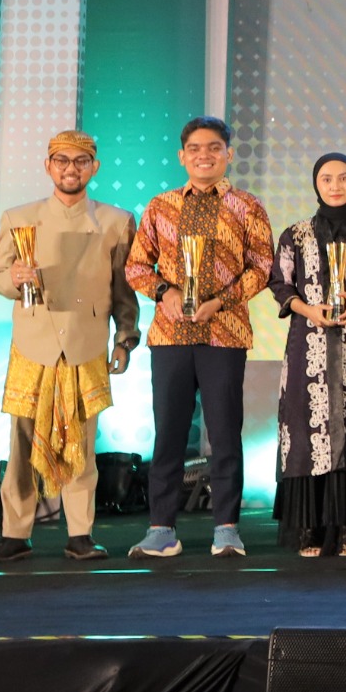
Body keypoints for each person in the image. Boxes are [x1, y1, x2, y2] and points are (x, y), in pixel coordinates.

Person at [0, 130, 139, 563]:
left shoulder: (116, 221)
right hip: (34, 343)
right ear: (48, 166)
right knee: (21, 443)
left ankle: (80, 534)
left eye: (81, 161)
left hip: (86, 342)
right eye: (62, 160)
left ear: (94, 167)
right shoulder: (19, 218)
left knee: (82, 444)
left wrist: (125, 338)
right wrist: (14, 279)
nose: (72, 169)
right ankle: (15, 534)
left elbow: (124, 290)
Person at [124, 117, 273, 559]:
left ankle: (226, 529)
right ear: (182, 156)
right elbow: (136, 266)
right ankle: (161, 529)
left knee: (225, 434)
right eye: (194, 148)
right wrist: (164, 292)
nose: (203, 155)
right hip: (170, 335)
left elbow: (262, 267)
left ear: (228, 154)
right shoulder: (161, 206)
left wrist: (220, 302)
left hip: (224, 334)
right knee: (168, 434)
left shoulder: (247, 206)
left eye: (213, 148)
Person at [268, 151, 346, 558]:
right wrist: (308, 309)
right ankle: (310, 528)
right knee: (306, 427)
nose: (335, 185)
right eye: (327, 178)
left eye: (343, 178)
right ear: (315, 184)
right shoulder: (295, 234)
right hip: (308, 342)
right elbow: (280, 283)